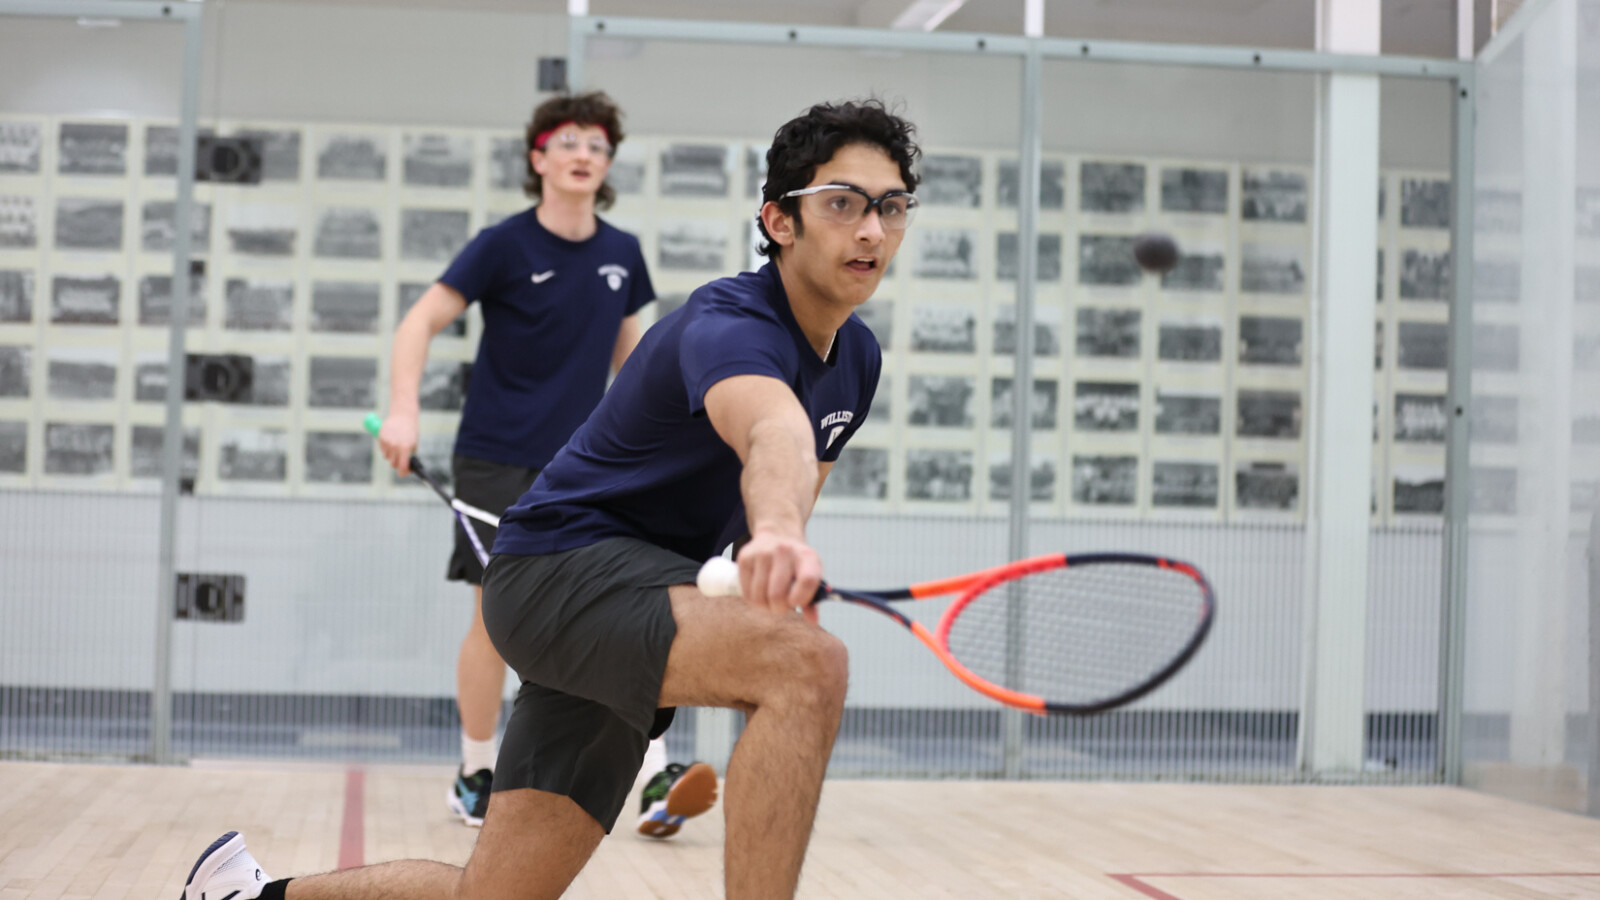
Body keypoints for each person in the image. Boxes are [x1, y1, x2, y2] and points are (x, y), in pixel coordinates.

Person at [179, 97, 921, 900]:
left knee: (493, 895)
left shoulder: (858, 360)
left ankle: (246, 896)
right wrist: (777, 529)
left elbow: (794, 485)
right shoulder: (730, 323)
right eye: (842, 204)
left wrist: (772, 552)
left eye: (891, 207)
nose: (872, 231)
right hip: (560, 569)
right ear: (779, 221)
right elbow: (771, 429)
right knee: (809, 667)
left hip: (640, 595)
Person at [376, 90, 715, 835]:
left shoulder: (622, 254)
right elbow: (420, 320)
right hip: (495, 457)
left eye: (597, 144)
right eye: (568, 141)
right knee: (497, 618)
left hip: (590, 468)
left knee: (633, 608)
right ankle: (473, 771)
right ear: (539, 158)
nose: (584, 154)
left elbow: (640, 365)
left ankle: (656, 775)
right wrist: (404, 409)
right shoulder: (503, 245)